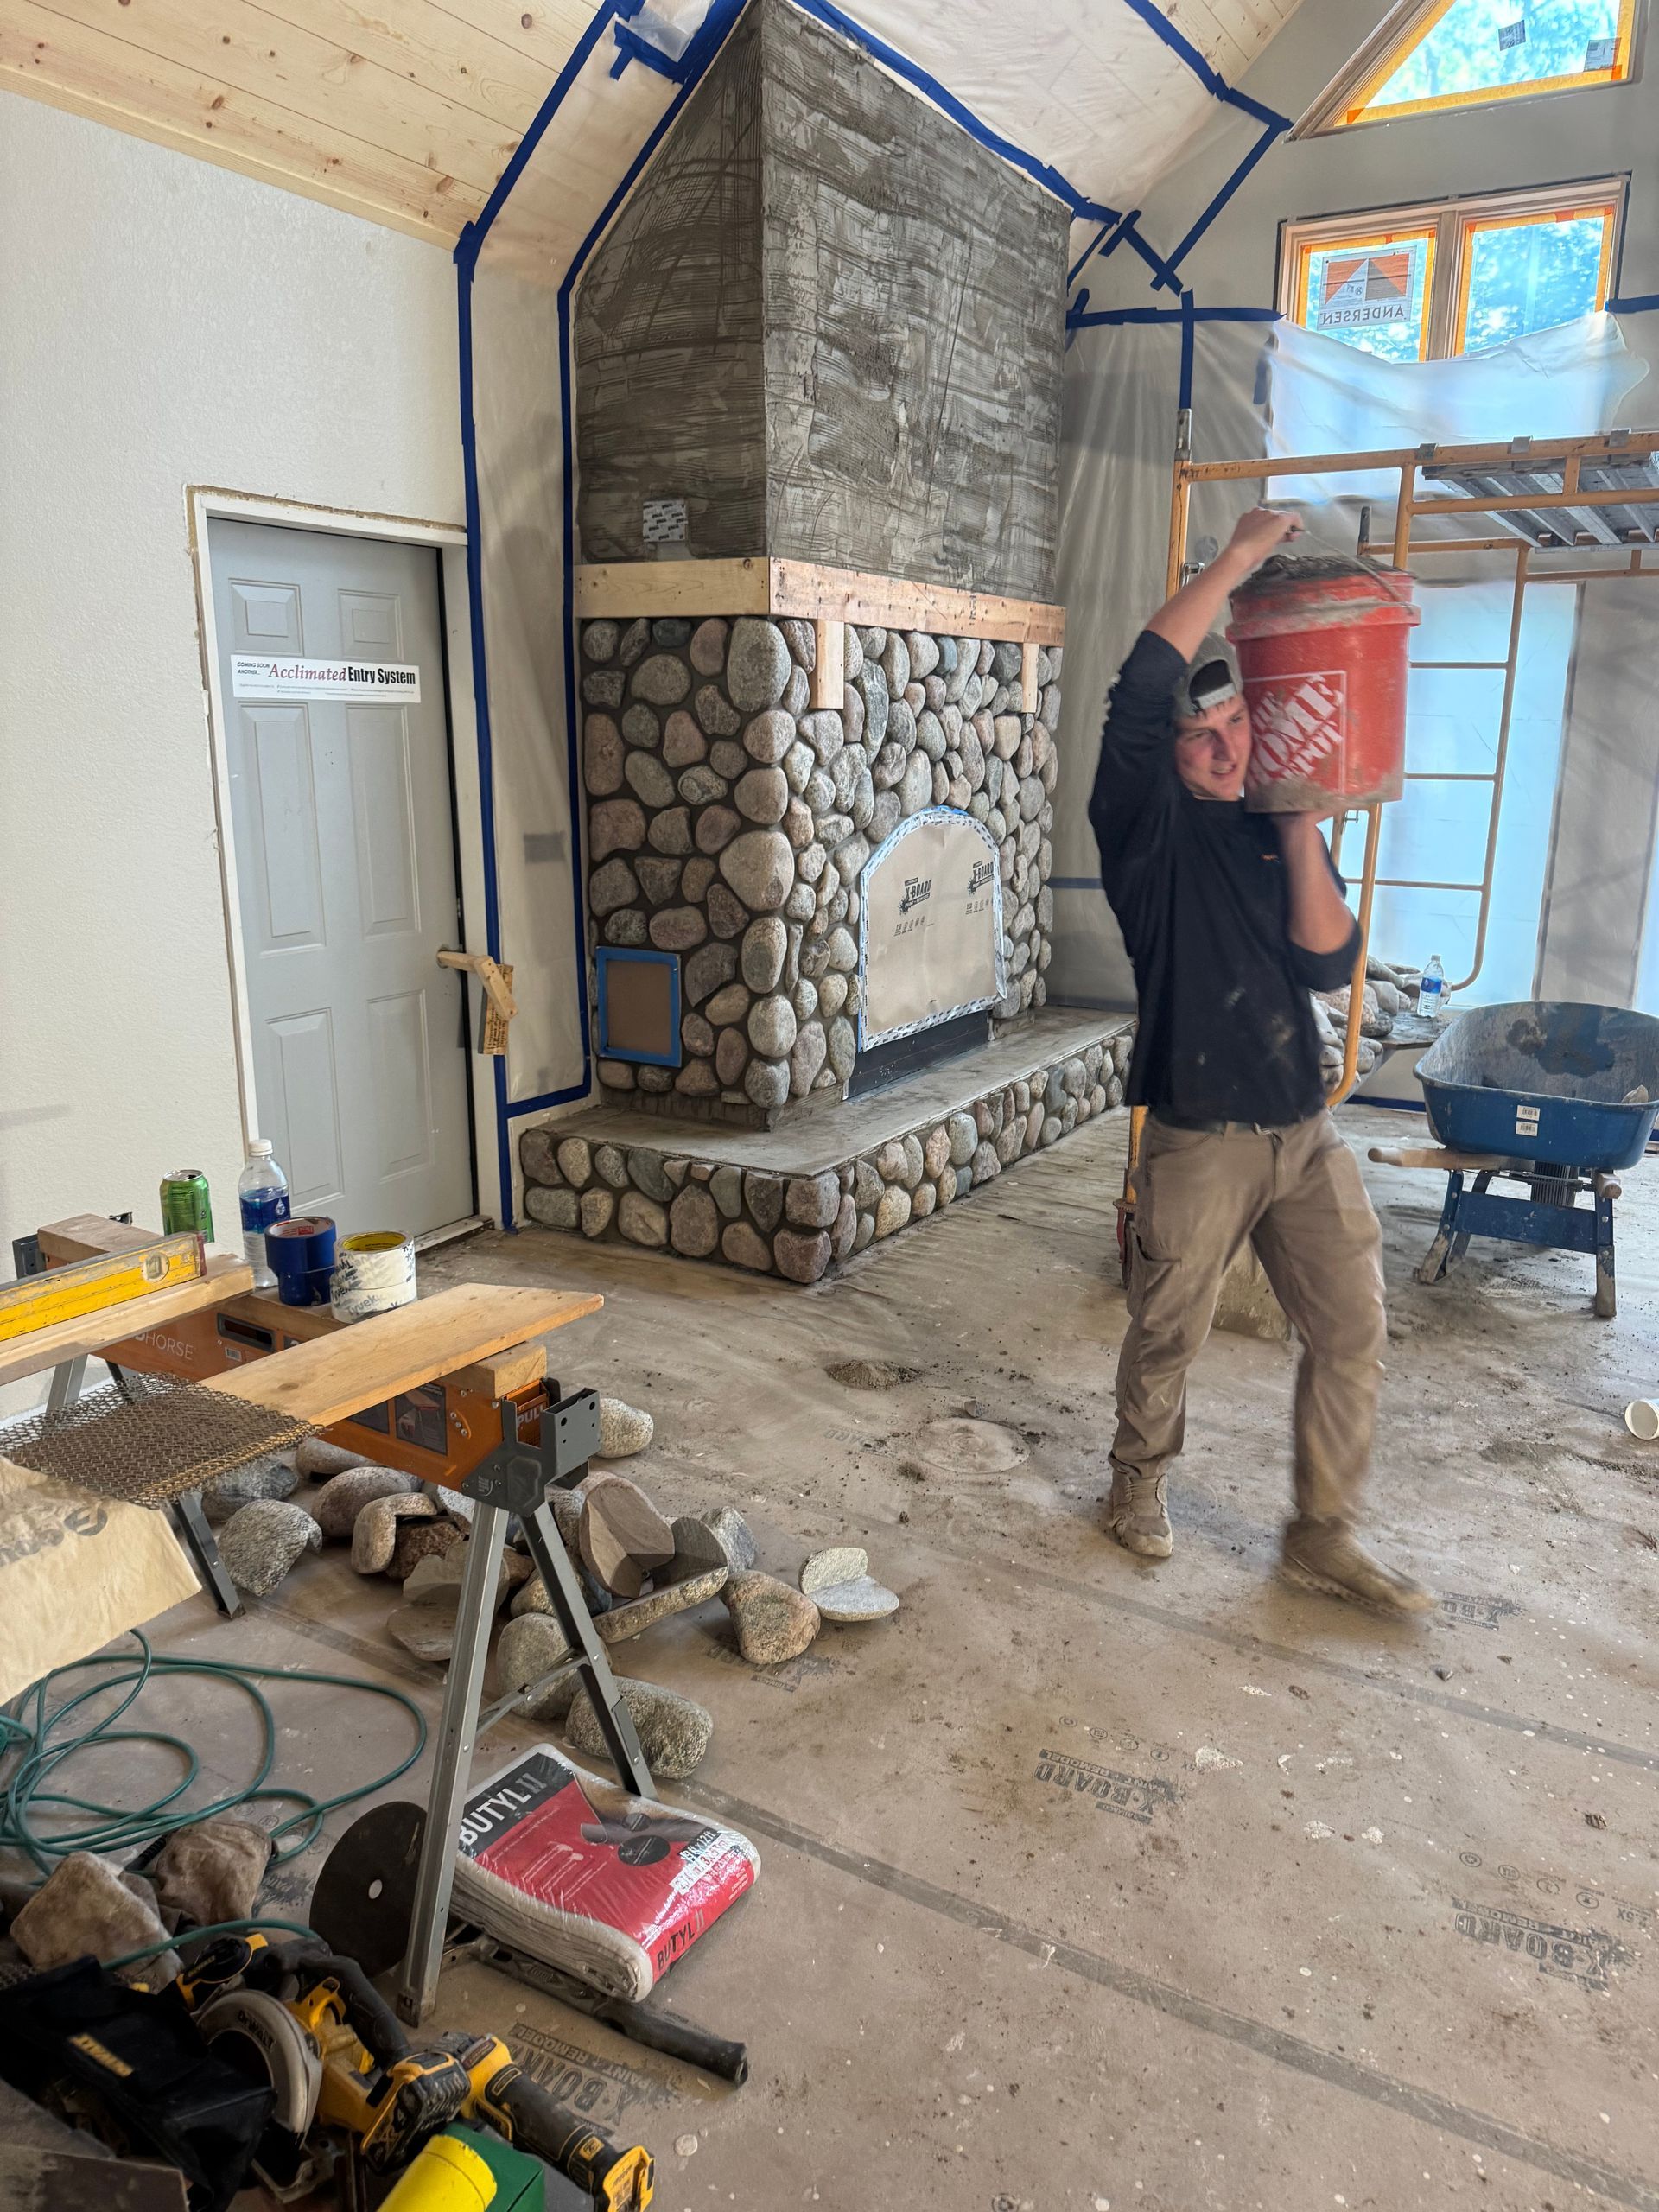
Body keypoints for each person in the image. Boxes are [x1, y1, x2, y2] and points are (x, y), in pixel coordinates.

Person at [1089, 505, 1433, 1615]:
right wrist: (1234, 562)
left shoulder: (1273, 819)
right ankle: (1136, 1486)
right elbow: (1136, 696)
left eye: (1239, 724)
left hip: (1303, 1129)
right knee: (1168, 1330)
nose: (1227, 747)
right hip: (1200, 1135)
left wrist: (1297, 825)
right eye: (1203, 738)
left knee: (1352, 1329)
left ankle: (1321, 1531)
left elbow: (1329, 964)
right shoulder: (1146, 832)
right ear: (1173, 758)